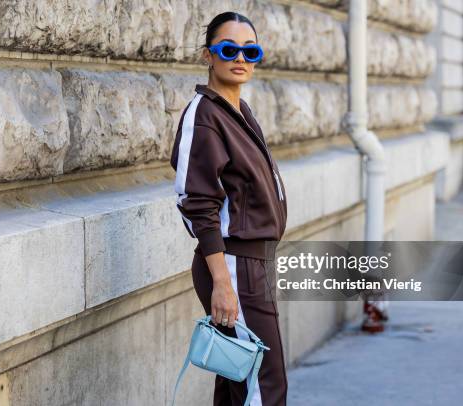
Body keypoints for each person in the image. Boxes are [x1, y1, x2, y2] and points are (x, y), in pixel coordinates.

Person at [169, 11, 288, 406]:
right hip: (234, 265)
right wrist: (222, 282)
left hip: (253, 265)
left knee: (237, 382)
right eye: (228, 49)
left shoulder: (238, 112)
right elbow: (196, 203)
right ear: (208, 55)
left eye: (250, 50)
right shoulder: (204, 116)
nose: (240, 58)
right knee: (264, 385)